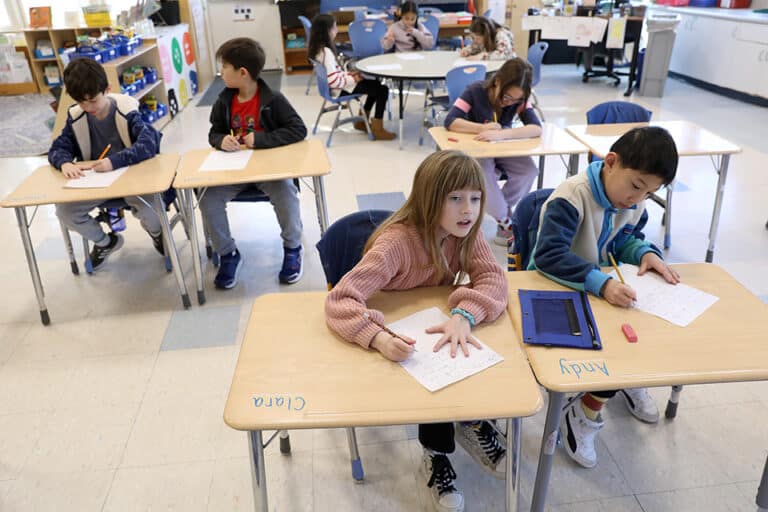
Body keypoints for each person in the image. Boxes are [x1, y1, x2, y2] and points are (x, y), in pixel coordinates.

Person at [326, 150, 508, 512]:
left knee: (464, 345)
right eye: (455, 198)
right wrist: (378, 337)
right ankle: (436, 453)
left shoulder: (466, 234)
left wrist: (464, 315)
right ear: (429, 198)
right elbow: (339, 300)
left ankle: (471, 420)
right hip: (394, 336)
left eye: (475, 198)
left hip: (429, 324)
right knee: (431, 370)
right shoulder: (396, 243)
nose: (468, 210)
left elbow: (494, 278)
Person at [530, 126, 680, 468]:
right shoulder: (572, 197)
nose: (638, 198)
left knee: (644, 332)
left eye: (650, 192)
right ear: (610, 162)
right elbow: (548, 257)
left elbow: (622, 240)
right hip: (554, 290)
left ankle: (626, 381)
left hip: (595, 289)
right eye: (636, 186)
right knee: (615, 353)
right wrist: (601, 283)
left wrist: (644, 253)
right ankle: (583, 412)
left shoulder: (634, 204)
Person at [205, 37, 307, 289]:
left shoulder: (273, 99)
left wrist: (260, 139)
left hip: (268, 171)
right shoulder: (223, 100)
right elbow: (214, 132)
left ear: (242, 73)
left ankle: (293, 248)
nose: (221, 72)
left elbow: (298, 129)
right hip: (233, 172)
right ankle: (228, 253)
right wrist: (220, 140)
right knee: (207, 196)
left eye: (224, 67)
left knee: (285, 190)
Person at [48, 58, 163, 270]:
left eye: (92, 100)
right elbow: (58, 148)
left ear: (107, 89)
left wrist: (114, 161)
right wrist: (64, 163)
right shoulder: (77, 116)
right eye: (81, 102)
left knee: (151, 211)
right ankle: (105, 242)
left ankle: (158, 235)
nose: (87, 107)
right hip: (97, 185)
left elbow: (148, 144)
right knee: (65, 212)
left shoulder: (127, 111)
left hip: (134, 181)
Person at [444, 57, 541, 246]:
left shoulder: (518, 99)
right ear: (497, 82)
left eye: (516, 100)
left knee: (529, 171)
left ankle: (502, 211)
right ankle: (505, 221)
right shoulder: (475, 91)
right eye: (506, 97)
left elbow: (536, 128)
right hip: (478, 149)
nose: (509, 103)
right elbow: (451, 120)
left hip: (502, 146)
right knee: (484, 175)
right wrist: (481, 128)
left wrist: (503, 134)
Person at [308, 13, 396, 140]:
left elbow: (334, 74)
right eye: (334, 27)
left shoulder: (317, 49)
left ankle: (361, 122)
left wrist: (349, 74)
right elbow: (333, 81)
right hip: (339, 90)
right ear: (326, 31)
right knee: (382, 90)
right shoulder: (327, 52)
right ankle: (378, 129)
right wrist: (353, 79)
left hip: (333, 89)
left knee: (375, 85)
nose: (337, 30)